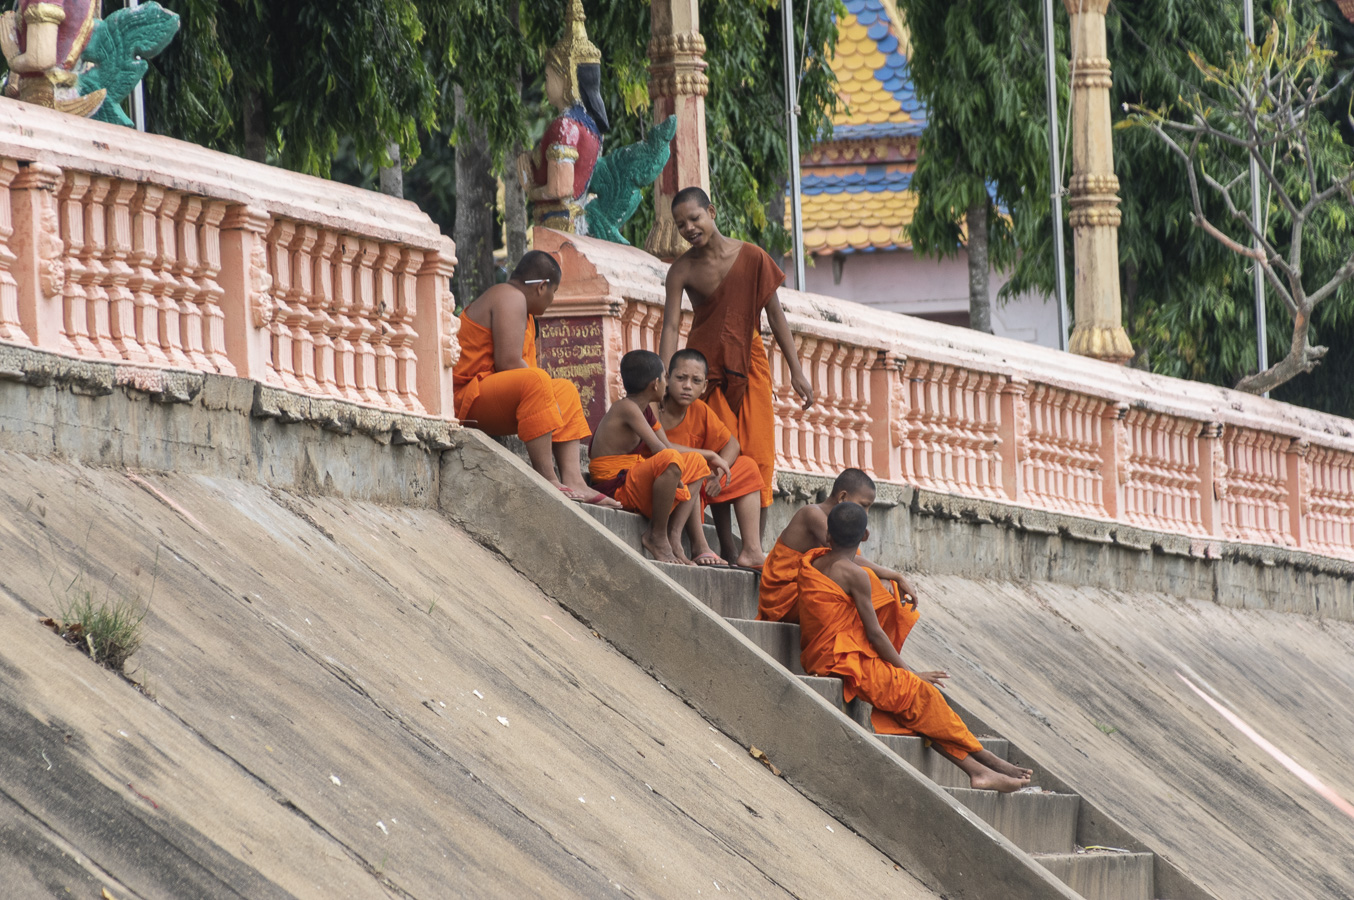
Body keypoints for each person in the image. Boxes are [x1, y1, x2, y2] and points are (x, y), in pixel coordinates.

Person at [800, 502, 1033, 793]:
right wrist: (911, 672)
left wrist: (895, 576)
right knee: (921, 693)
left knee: (915, 707)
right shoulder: (854, 575)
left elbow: (855, 568)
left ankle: (981, 766)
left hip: (822, 655)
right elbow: (874, 633)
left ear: (827, 535)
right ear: (865, 537)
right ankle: (983, 761)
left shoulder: (815, 559)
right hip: (841, 661)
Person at [659, 186, 815, 541]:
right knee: (720, 451)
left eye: (694, 219)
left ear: (711, 212)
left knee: (758, 453)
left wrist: (796, 370)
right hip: (706, 371)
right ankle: (728, 544)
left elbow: (775, 316)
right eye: (681, 225)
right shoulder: (681, 271)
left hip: (750, 362)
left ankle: (753, 545)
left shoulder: (753, 256)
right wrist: (664, 377)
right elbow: (670, 326)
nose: (689, 229)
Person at [453, 250, 620, 508]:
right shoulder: (510, 296)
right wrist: (544, 395)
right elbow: (509, 364)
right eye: (554, 292)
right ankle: (547, 477)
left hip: (494, 396)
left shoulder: (525, 311)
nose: (552, 300)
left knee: (564, 389)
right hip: (467, 398)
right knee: (538, 380)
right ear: (542, 287)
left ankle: (574, 479)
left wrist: (548, 399)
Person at [588, 349, 715, 565]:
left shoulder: (645, 409)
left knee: (696, 462)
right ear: (655, 384)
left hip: (631, 479)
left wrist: (708, 457)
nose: (667, 383)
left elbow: (666, 444)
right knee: (671, 460)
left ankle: (673, 536)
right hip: (616, 487)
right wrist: (679, 478)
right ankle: (657, 535)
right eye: (666, 377)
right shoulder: (626, 408)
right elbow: (659, 449)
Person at [657, 348, 767, 570]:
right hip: (666, 480)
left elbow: (732, 444)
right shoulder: (655, 405)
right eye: (681, 378)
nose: (688, 386)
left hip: (698, 482)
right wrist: (709, 456)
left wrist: (717, 473)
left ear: (704, 386)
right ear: (667, 379)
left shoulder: (700, 410)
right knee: (695, 466)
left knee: (747, 467)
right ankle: (700, 545)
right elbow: (661, 447)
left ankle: (752, 550)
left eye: (695, 381)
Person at [758, 468, 913, 623]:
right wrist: (895, 575)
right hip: (783, 599)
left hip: (804, 590)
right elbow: (845, 558)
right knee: (869, 580)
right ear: (843, 497)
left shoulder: (841, 523)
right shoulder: (812, 514)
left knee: (882, 585)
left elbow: (852, 559)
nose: (865, 514)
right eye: (863, 505)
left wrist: (885, 578)